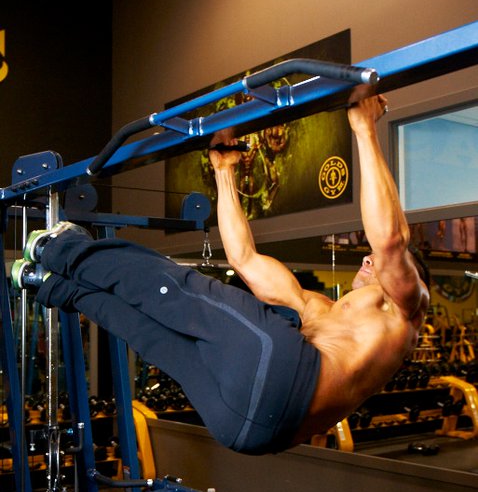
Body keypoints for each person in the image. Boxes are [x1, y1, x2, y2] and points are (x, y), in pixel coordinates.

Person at [12, 95, 430, 455]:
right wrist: (224, 172)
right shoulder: (321, 311)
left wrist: (364, 128)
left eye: (376, 264)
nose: (368, 261)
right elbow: (244, 258)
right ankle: (49, 284)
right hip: (247, 432)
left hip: (283, 375)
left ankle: (57, 248)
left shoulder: (405, 307)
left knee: (176, 288)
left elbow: (391, 241)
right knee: (148, 331)